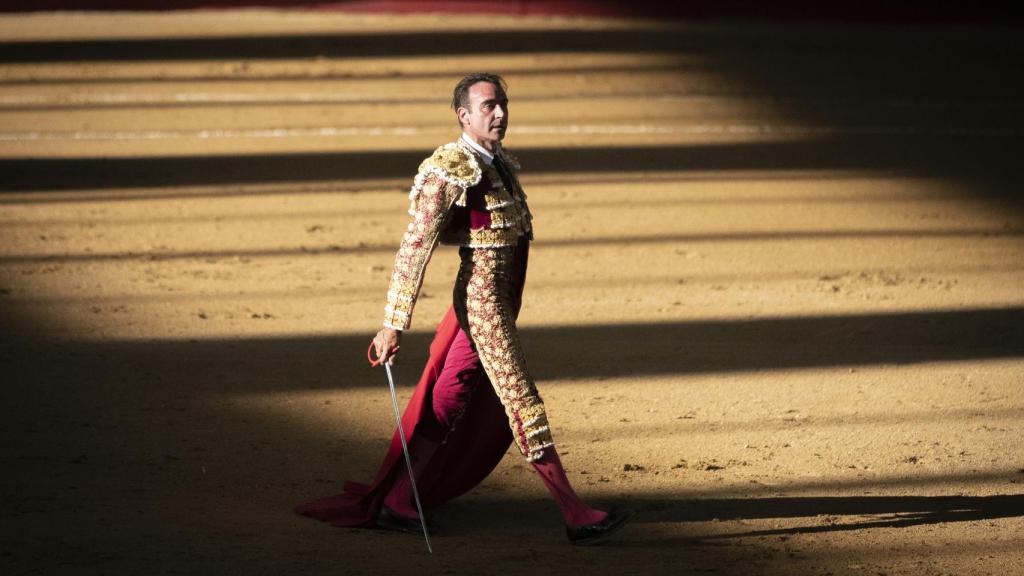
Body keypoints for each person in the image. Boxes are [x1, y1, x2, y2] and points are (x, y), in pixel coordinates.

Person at [295, 73, 631, 546]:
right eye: (488, 105)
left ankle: (399, 502)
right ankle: (575, 512)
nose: (500, 113)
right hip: (481, 303)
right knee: (521, 400)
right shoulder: (449, 167)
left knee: (449, 395)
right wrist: (393, 324)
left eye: (503, 104)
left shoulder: (497, 164)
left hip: (493, 300)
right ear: (464, 115)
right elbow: (416, 247)